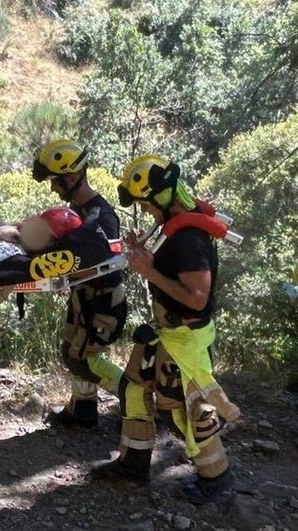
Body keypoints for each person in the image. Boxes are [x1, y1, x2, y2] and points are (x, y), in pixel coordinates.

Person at [92, 155, 242, 504]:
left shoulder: (188, 237)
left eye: (145, 203)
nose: (144, 211)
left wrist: (149, 272)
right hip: (168, 334)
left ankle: (216, 479)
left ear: (161, 196)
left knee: (186, 410)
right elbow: (169, 269)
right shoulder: (172, 229)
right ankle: (133, 462)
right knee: (133, 387)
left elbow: (197, 299)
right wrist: (144, 253)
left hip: (185, 338)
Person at [32, 139, 127, 427]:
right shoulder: (77, 209)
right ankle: (83, 410)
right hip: (82, 296)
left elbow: (109, 264)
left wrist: (65, 274)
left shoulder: (102, 216)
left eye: (55, 182)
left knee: (86, 360)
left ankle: (143, 400)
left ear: (72, 177)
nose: (52, 188)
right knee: (72, 351)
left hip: (102, 298)